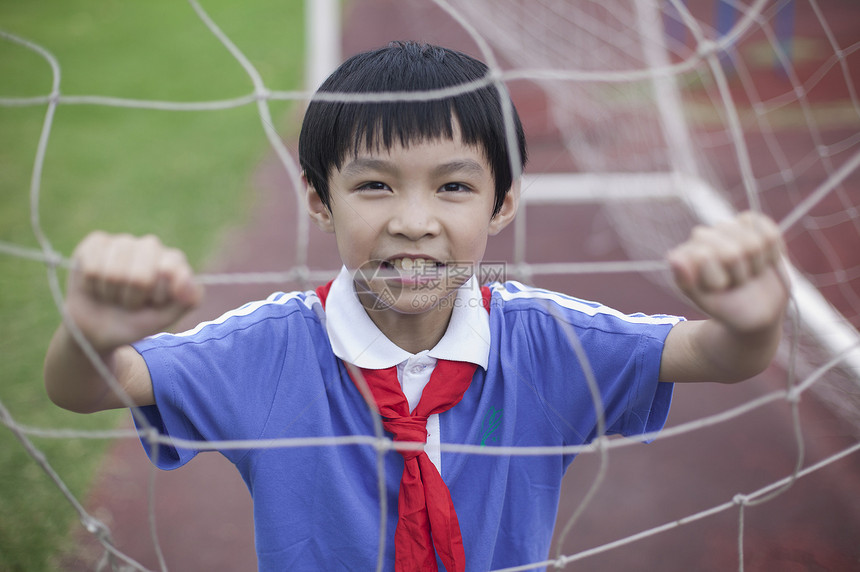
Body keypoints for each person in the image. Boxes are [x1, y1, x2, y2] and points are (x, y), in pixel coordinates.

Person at [44, 42, 788, 571]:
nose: (413, 220)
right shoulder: (268, 349)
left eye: (453, 187)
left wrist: (751, 323)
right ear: (317, 200)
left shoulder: (545, 339)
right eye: (374, 185)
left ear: (504, 203)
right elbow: (90, 389)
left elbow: (712, 356)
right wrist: (88, 335)